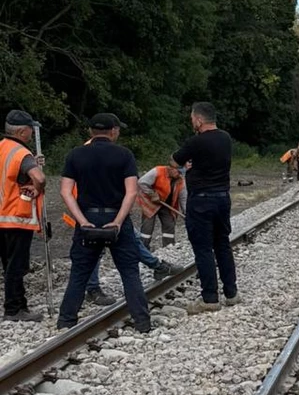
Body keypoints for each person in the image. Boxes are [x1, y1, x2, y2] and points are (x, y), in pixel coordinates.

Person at [57, 113, 151, 332]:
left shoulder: (75, 155)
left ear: (90, 132)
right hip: (115, 217)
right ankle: (142, 323)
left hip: (88, 217)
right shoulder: (124, 155)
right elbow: (131, 192)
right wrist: (117, 222)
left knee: (79, 272)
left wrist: (82, 221)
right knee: (129, 272)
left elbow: (65, 191)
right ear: (113, 131)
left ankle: (66, 321)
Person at [171, 102, 240, 314]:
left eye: (193, 118)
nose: (192, 122)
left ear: (199, 120)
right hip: (222, 198)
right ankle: (231, 293)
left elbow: (174, 162)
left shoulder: (195, 142)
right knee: (222, 244)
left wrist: (185, 167)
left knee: (203, 248)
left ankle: (210, 297)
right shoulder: (225, 138)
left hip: (201, 200)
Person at [1, 110, 47, 322]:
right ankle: (14, 309)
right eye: (30, 129)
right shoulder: (21, 153)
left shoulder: (2, 148)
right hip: (15, 218)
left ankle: (17, 306)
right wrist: (37, 188)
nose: (31, 133)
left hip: (2, 216)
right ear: (22, 131)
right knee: (16, 266)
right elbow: (38, 177)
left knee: (8, 264)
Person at [138, 164, 187, 249]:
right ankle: (143, 249)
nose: (179, 174)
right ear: (172, 168)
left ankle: (169, 247)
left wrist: (187, 214)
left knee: (169, 224)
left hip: (167, 205)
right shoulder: (158, 171)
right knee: (147, 227)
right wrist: (152, 193)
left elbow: (184, 199)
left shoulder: (181, 181)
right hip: (150, 203)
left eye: (181, 173)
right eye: (178, 172)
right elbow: (141, 182)